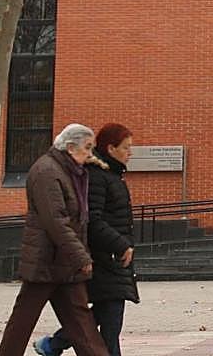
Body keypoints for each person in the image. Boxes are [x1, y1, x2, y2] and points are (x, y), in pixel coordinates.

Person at [0, 124, 108, 356]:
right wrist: (80, 255)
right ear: (70, 147)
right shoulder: (47, 172)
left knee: (81, 323)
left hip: (63, 263)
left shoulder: (66, 171)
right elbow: (55, 221)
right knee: (23, 322)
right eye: (87, 148)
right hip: (46, 261)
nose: (90, 154)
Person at [36, 123, 139, 356]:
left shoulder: (112, 176)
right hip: (105, 259)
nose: (130, 153)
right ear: (111, 149)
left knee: (103, 317)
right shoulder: (99, 177)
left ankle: (54, 344)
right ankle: (53, 344)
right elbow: (92, 219)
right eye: (126, 148)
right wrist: (120, 244)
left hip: (114, 260)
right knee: (110, 323)